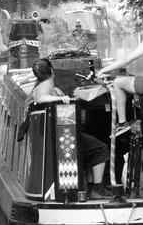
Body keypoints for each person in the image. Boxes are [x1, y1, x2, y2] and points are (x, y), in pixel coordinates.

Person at [30, 58, 112, 199]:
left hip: (54, 137)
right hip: (64, 139)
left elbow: (36, 98)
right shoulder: (45, 88)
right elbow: (41, 98)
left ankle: (88, 186)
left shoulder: (40, 87)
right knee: (101, 148)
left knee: (88, 147)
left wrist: (57, 94)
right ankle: (97, 189)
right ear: (51, 70)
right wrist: (59, 99)